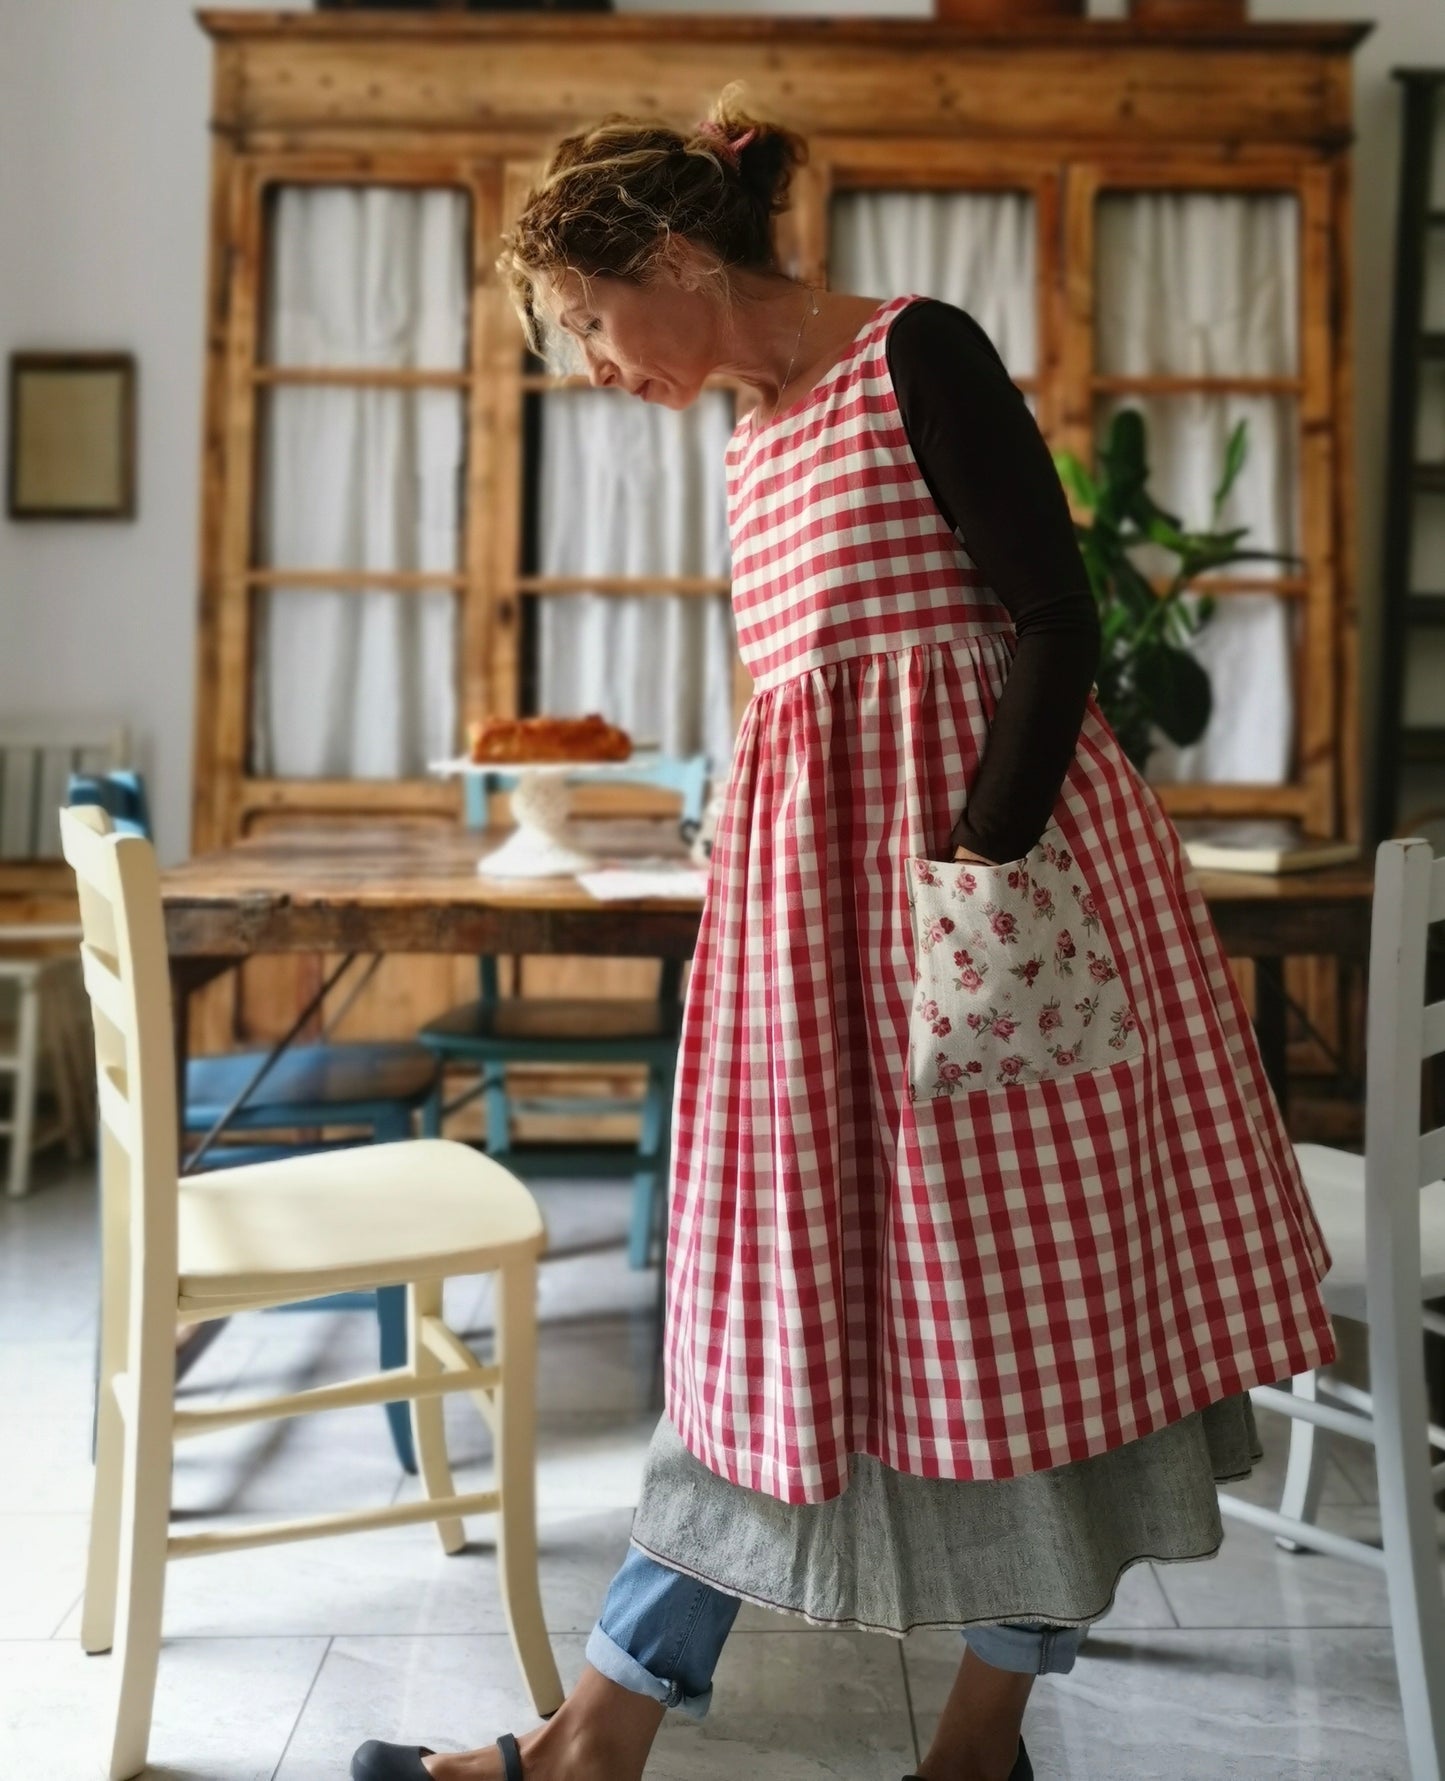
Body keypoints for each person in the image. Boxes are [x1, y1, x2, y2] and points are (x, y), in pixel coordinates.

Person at [353, 88, 1335, 1781]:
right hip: (816, 960)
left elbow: (1049, 619)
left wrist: (975, 874)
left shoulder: (912, 355)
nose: (592, 365)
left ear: (670, 257)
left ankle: (963, 1750)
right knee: (770, 1315)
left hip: (986, 928)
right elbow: (806, 711)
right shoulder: (748, 444)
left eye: (590, 321)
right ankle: (603, 1729)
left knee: (1034, 1322)